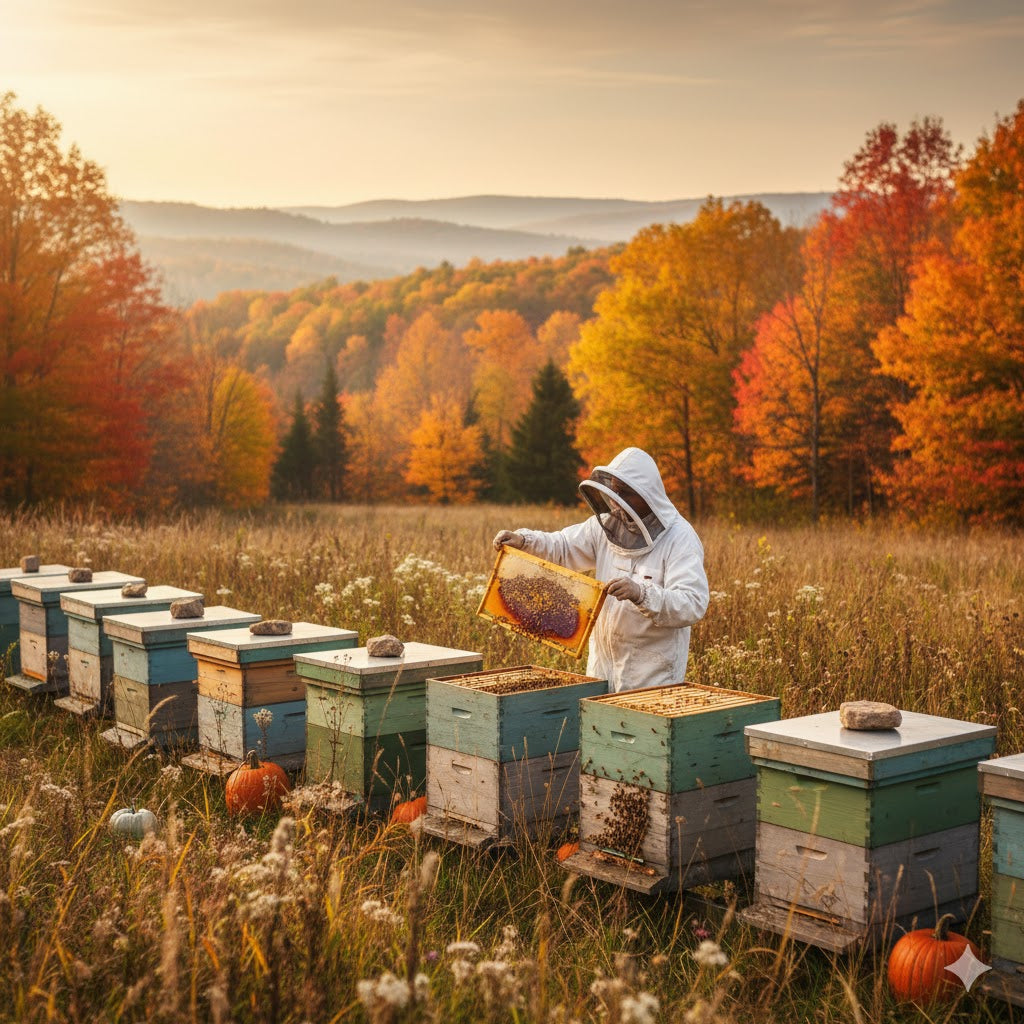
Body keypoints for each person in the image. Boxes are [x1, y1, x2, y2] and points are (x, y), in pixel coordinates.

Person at [493, 446, 709, 693]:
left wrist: (642, 593)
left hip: (652, 677)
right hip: (602, 668)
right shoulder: (607, 526)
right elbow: (563, 546)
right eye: (615, 492)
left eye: (626, 494)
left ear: (647, 494)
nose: (617, 502)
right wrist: (524, 541)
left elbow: (692, 604)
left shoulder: (680, 538)